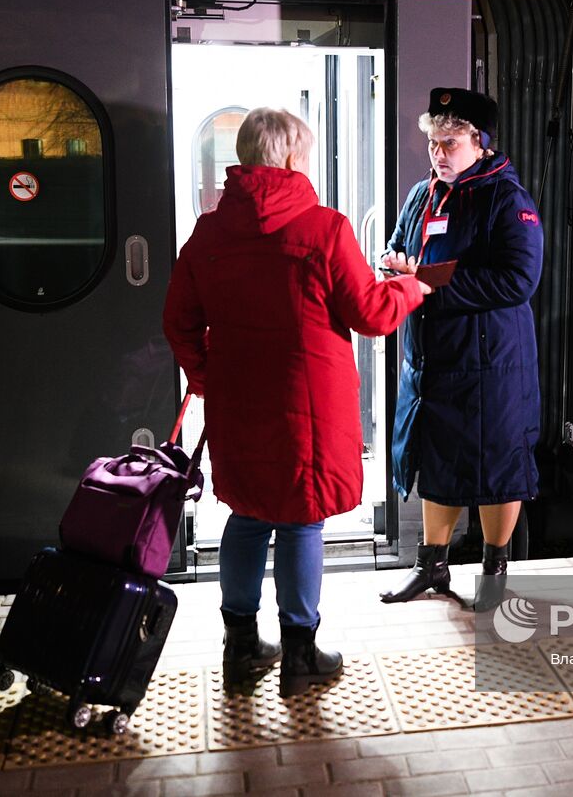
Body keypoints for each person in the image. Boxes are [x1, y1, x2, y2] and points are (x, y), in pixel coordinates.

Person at [163, 108, 429, 695]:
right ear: (289, 158)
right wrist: (413, 286)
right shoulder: (324, 228)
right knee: (301, 520)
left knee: (247, 515)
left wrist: (208, 377)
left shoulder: (209, 233)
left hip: (237, 405)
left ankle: (241, 649)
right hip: (306, 408)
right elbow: (371, 313)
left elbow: (177, 321)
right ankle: (301, 655)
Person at [377, 87, 543, 612]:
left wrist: (427, 282)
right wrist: (392, 264)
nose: (439, 153)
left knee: (499, 466)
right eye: (433, 143)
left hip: (493, 363)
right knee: (438, 459)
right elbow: (400, 246)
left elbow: (519, 280)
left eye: (450, 143)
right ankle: (432, 567)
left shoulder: (507, 199)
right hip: (435, 359)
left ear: (481, 144)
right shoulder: (420, 195)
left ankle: (494, 573)